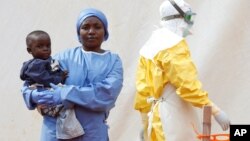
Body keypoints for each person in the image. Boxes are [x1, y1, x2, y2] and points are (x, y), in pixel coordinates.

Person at [21, 8, 123, 141]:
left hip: (93, 133)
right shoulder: (62, 57)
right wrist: (32, 95)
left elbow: (106, 95)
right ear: (78, 33)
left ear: (105, 32)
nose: (91, 31)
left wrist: (66, 93)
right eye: (85, 27)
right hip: (55, 132)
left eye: (97, 27)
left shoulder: (113, 61)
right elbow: (32, 79)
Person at [134, 0, 230, 141]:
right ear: (180, 18)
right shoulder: (173, 46)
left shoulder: (148, 47)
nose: (191, 23)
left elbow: (142, 92)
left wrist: (145, 124)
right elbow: (188, 86)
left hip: (155, 118)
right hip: (173, 116)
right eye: (189, 17)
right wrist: (215, 111)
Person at [20, 30, 84, 140]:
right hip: (44, 94)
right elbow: (45, 79)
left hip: (47, 95)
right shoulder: (36, 64)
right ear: (29, 50)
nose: (45, 49)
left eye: (48, 45)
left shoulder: (47, 60)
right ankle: (71, 132)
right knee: (66, 107)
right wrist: (60, 77)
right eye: (40, 46)